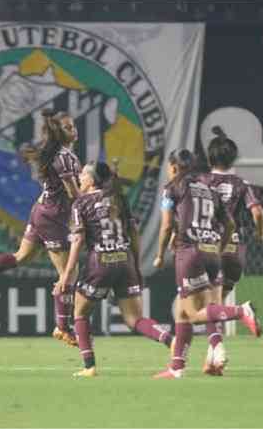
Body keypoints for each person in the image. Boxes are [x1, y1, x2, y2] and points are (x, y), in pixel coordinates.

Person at [0, 108, 81, 346]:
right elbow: (73, 194)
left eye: (73, 125)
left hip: (40, 210)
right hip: (53, 217)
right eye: (68, 127)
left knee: (21, 256)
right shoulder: (64, 156)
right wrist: (86, 210)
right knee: (69, 274)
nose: (73, 130)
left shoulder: (56, 153)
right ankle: (62, 328)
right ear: (59, 131)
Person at [54, 161, 174, 377]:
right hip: (125, 260)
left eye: (82, 174)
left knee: (80, 312)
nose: (79, 177)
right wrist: (136, 266)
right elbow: (134, 233)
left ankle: (89, 366)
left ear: (91, 180)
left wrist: (66, 273)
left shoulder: (81, 204)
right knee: (134, 320)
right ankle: (169, 340)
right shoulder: (119, 199)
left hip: (100, 262)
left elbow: (78, 239)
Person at [152, 148, 262, 380]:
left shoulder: (172, 188)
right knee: (183, 311)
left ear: (173, 167)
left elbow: (165, 226)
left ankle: (241, 311)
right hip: (212, 252)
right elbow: (230, 225)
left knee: (193, 313)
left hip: (189, 252)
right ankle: (177, 367)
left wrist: (160, 254)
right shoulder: (209, 190)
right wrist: (218, 247)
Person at [201, 126, 263, 375]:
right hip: (235, 250)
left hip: (210, 247)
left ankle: (222, 345)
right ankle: (213, 361)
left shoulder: (201, 182)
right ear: (233, 159)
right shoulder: (242, 183)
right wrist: (261, 234)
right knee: (217, 306)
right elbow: (258, 212)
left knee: (207, 307)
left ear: (209, 158)